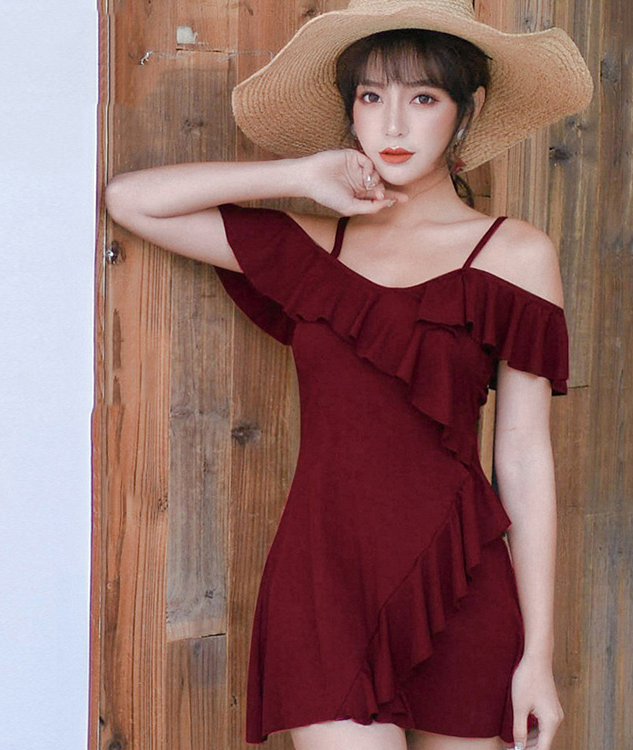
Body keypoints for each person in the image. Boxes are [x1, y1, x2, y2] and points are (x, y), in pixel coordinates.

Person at [103, 1, 593, 749]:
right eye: (371, 96)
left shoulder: (515, 254)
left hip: (459, 577)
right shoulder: (313, 248)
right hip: (322, 582)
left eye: (422, 98)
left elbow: (524, 457)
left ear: (467, 111)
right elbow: (131, 202)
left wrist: (538, 657)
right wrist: (300, 174)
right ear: (351, 111)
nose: (392, 124)